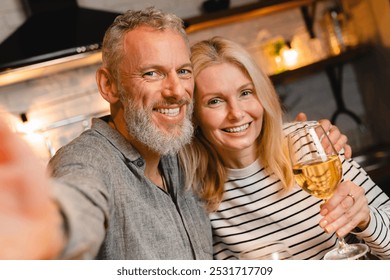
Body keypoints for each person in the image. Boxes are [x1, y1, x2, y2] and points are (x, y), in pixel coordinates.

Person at [0, 8, 349, 260]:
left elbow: (241, 131)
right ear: (109, 85)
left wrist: (304, 136)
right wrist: (43, 232)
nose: (175, 90)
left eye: (182, 71)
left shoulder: (179, 153)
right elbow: (78, 204)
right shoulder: (87, 162)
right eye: (151, 73)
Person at [180, 36, 390, 260]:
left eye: (245, 93)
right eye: (215, 101)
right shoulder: (194, 191)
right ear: (194, 114)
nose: (237, 113)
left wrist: (366, 220)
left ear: (262, 95)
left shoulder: (311, 144)